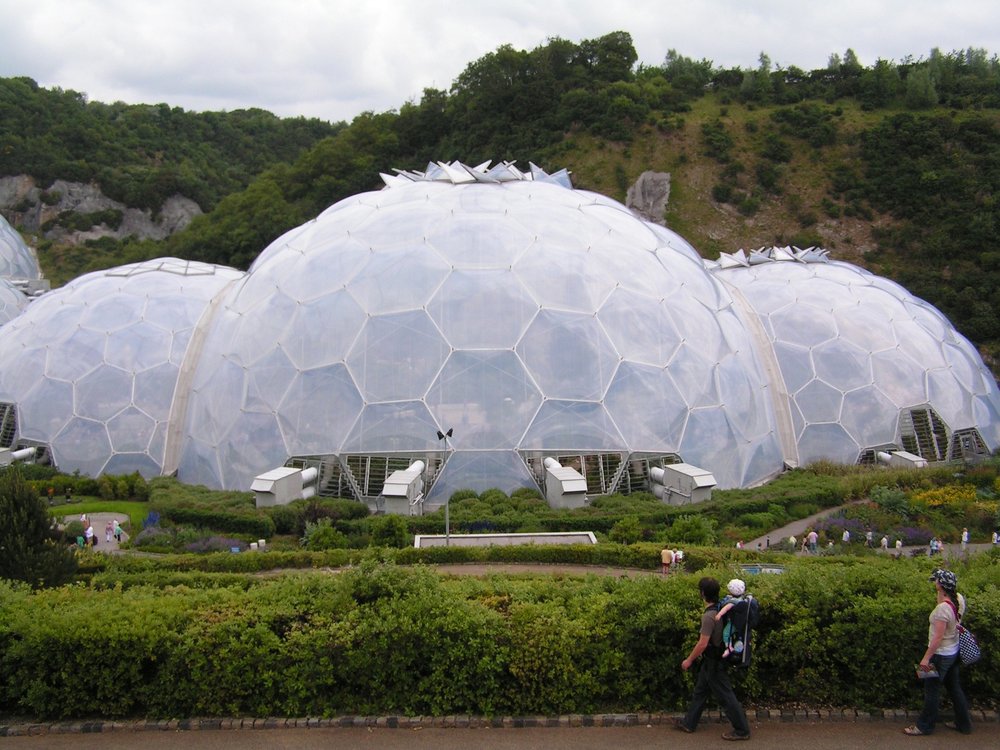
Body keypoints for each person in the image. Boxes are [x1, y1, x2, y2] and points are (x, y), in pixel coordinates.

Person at [674, 576, 751, 741]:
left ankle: (742, 730)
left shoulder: (709, 616)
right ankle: (689, 723)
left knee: (726, 695)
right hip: (713, 660)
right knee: (700, 691)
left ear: (702, 593)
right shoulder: (720, 606)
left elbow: (702, 643)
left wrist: (688, 660)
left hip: (714, 662)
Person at [904, 569, 972, 736]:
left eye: (936, 581)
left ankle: (924, 726)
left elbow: (937, 638)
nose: (934, 583)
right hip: (953, 652)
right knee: (954, 688)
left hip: (939, 655)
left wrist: (925, 659)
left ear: (940, 585)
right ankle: (964, 724)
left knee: (931, 690)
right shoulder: (959, 599)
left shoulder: (942, 609)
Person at [716, 579, 747, 660]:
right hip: (741, 623)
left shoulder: (732, 602)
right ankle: (738, 647)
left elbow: (726, 608)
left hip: (732, 623)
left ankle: (729, 648)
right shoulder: (742, 599)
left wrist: (719, 614)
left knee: (726, 634)